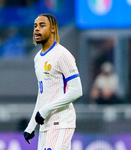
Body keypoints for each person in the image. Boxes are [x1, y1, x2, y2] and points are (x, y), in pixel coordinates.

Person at [23, 14, 83, 150]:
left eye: (42, 25)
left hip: (61, 122)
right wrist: (31, 126)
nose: (37, 29)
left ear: (53, 29)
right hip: (45, 124)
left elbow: (77, 90)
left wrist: (45, 110)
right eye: (35, 26)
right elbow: (42, 94)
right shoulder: (38, 58)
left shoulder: (62, 55)